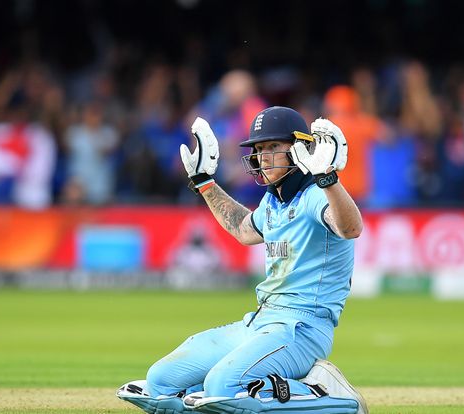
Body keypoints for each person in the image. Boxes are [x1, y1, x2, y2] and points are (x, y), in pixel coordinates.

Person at [117, 106, 368, 414]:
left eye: (273, 146)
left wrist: (328, 179)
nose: (263, 156)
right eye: (259, 148)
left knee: (223, 387)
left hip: (302, 328)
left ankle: (329, 394)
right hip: (260, 322)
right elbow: (244, 229)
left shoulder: (317, 194)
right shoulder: (274, 200)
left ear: (301, 147)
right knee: (160, 382)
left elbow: (351, 227)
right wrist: (204, 182)